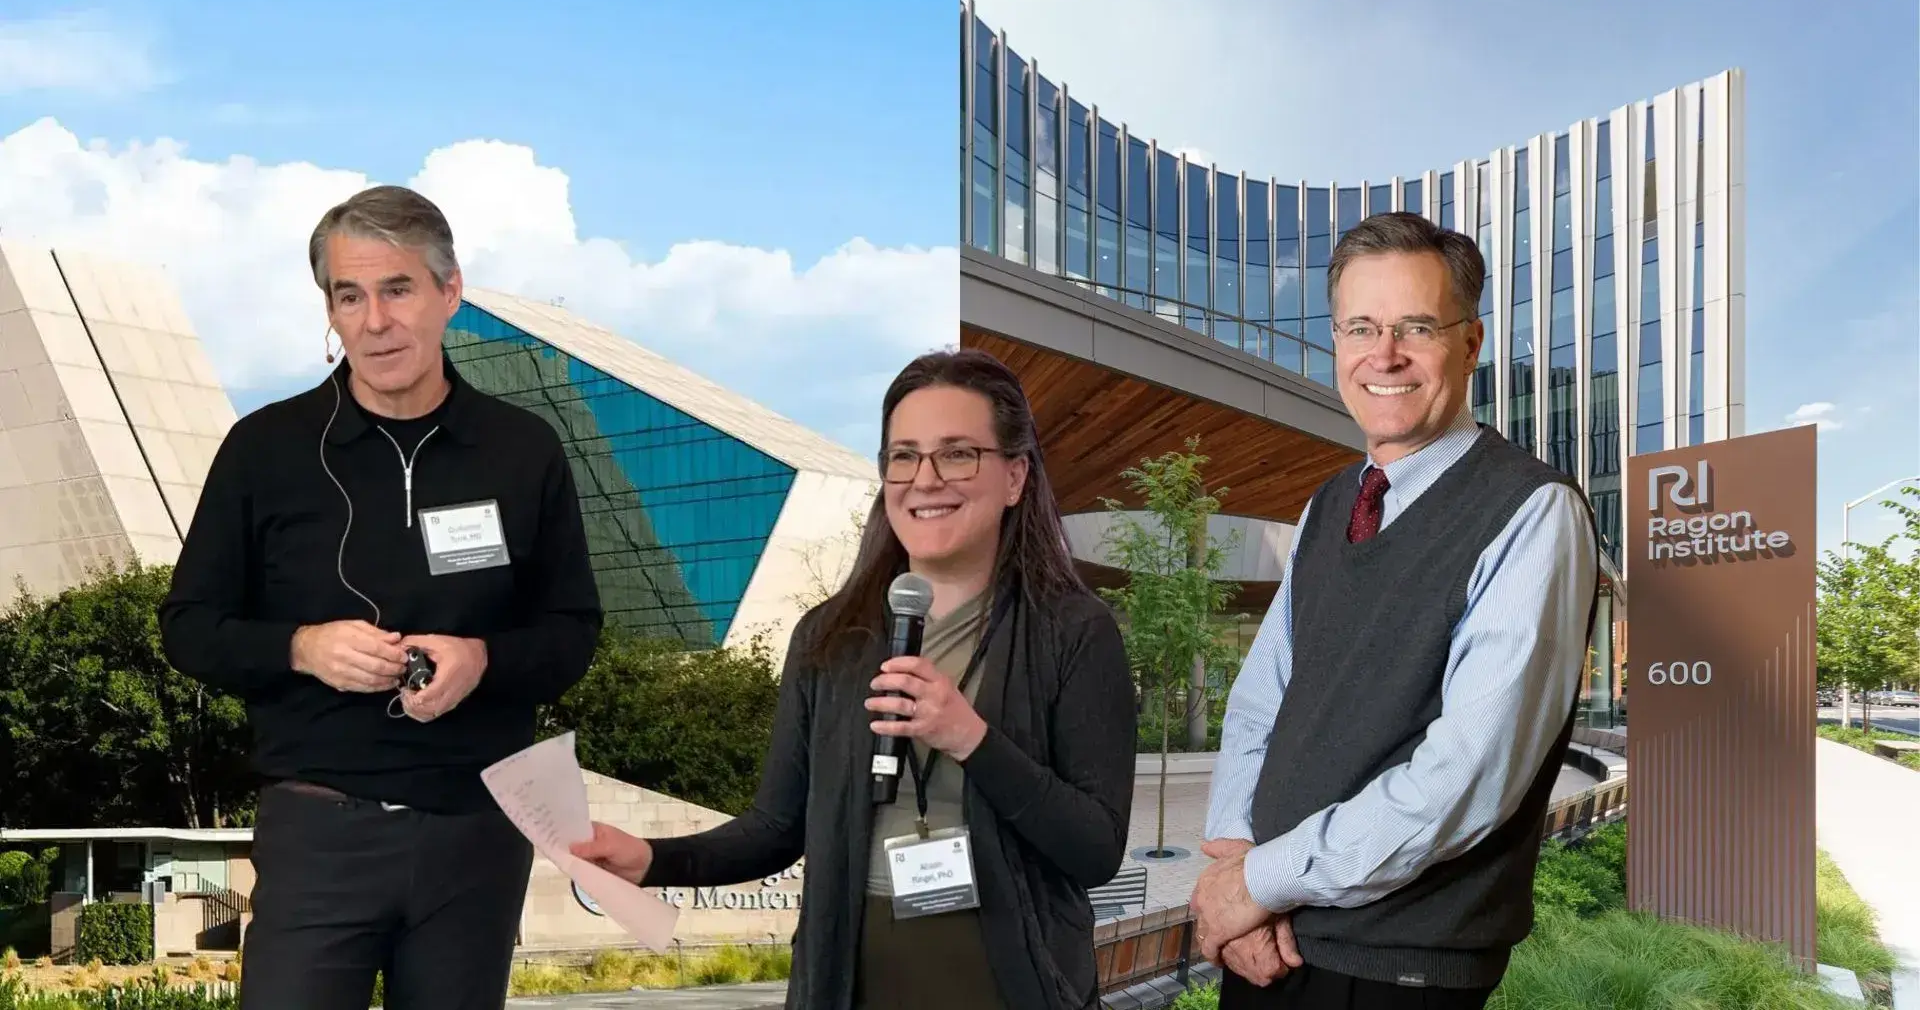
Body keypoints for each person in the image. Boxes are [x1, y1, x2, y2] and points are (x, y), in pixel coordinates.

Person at [568, 349, 1137, 1010]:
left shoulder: (1073, 631)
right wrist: (651, 858)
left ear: (1014, 477)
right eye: (903, 455)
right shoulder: (828, 638)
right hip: (852, 976)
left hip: (1011, 981)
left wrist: (971, 738)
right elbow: (776, 827)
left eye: (957, 454)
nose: (925, 479)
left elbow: (1095, 849)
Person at [158, 184, 603, 1010]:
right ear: (328, 306)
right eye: (348, 295)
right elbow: (188, 626)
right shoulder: (265, 449)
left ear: (449, 292)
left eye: (397, 289)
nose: (374, 320)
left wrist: (486, 659)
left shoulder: (522, 450)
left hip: (478, 831)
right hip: (318, 832)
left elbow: (574, 630)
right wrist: (300, 648)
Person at [1189, 211, 1600, 1009]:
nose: (1385, 355)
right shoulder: (1329, 503)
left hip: (1395, 970)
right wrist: (1239, 865)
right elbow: (1260, 698)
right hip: (1269, 946)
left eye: (1417, 326)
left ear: (1471, 343)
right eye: (1360, 328)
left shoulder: (1533, 511)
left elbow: (1466, 781)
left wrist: (1261, 883)